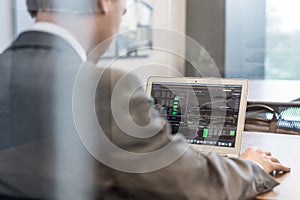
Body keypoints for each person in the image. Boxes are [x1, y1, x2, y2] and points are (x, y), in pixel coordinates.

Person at [0, 0, 290, 199]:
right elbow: (193, 186)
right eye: (123, 11)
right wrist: (251, 167)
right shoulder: (104, 88)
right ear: (104, 3)